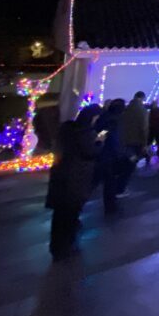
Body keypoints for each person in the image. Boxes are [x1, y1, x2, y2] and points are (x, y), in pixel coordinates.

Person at [46, 105, 101, 261]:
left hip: (60, 178)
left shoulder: (67, 130)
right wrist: (100, 141)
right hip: (76, 179)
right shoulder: (85, 133)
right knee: (70, 215)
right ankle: (66, 247)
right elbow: (91, 151)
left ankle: (56, 247)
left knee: (59, 216)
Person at [95, 99, 126, 212]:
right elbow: (104, 135)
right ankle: (110, 206)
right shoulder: (112, 121)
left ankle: (111, 204)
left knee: (106, 180)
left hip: (105, 153)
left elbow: (100, 135)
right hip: (108, 154)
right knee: (109, 181)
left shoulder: (105, 117)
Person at [117, 91, 149, 193]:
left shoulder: (126, 109)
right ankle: (121, 188)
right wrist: (145, 143)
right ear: (142, 98)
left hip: (124, 140)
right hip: (136, 140)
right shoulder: (142, 110)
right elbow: (144, 128)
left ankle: (119, 186)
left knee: (124, 164)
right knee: (130, 166)